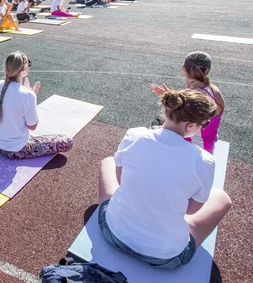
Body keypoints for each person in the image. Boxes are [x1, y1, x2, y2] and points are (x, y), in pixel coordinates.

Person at [97, 89, 232, 270]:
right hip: (166, 257)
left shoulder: (134, 135)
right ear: (191, 126)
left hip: (113, 234)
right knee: (222, 198)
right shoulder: (205, 161)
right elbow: (191, 211)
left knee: (108, 162)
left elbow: (120, 179)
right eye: (204, 124)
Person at [0, 51, 73, 159]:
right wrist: (32, 97)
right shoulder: (27, 95)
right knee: (66, 141)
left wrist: (29, 95)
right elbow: (32, 126)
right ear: (24, 69)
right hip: (17, 150)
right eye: (28, 64)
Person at [151, 51, 225, 154]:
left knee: (157, 124)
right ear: (207, 71)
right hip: (208, 149)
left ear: (184, 68)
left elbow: (180, 122)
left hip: (190, 150)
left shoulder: (192, 95)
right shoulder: (215, 91)